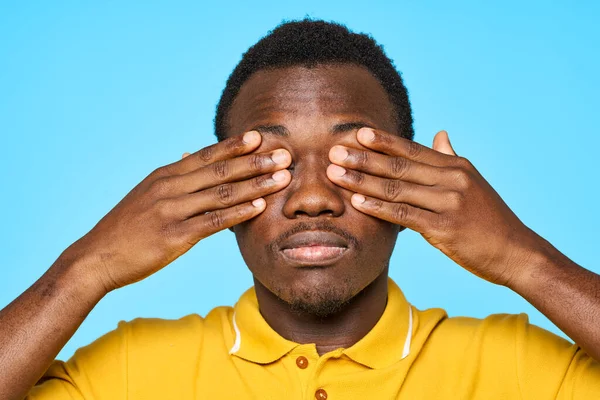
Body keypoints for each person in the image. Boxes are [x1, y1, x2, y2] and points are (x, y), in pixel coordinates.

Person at [2, 19, 599, 400]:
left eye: (353, 159)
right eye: (271, 162)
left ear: (416, 179)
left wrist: (524, 259)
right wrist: (87, 267)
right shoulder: (127, 373)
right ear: (209, 185)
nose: (313, 198)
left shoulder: (522, 371)